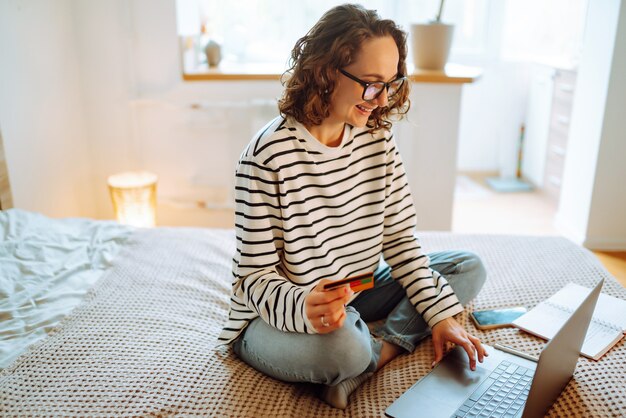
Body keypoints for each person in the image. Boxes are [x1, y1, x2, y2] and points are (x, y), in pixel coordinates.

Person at [218, 4, 487, 409]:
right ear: (326, 71)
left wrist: (442, 317)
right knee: (344, 350)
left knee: (466, 268)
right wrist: (303, 308)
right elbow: (251, 278)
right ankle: (362, 352)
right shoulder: (265, 158)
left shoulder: (377, 142)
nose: (380, 100)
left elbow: (399, 240)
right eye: (370, 83)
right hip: (273, 314)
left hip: (356, 288)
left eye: (391, 83)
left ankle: (382, 351)